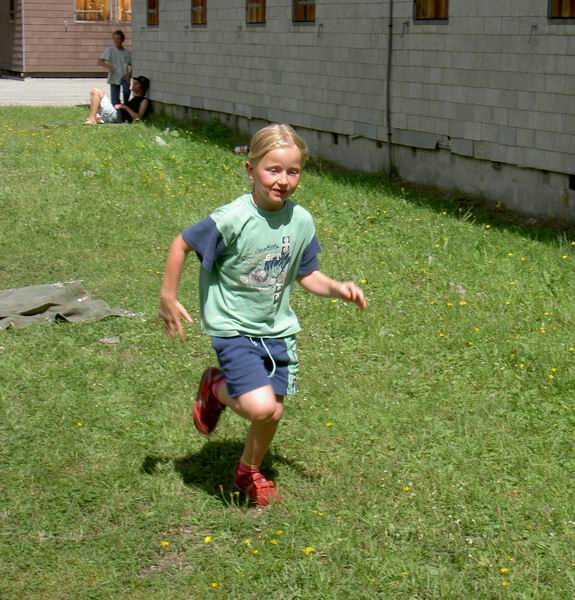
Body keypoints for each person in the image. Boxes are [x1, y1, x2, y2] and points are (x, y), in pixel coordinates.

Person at [158, 124, 367, 507]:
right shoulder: (233, 218)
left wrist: (338, 288)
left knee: (273, 413)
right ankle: (215, 388)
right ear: (250, 169)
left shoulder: (301, 221)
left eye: (293, 171)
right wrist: (168, 296)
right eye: (273, 170)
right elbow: (182, 244)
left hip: (276, 330)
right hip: (233, 326)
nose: (283, 180)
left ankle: (248, 469)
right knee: (260, 406)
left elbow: (307, 274)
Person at [84, 75, 150, 125]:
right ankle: (95, 117)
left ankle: (92, 119)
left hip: (118, 116)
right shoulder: (134, 98)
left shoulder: (144, 101)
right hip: (116, 113)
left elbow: (139, 117)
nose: (134, 84)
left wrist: (125, 107)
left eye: (137, 83)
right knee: (95, 93)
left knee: (96, 92)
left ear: (142, 87)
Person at [98, 30, 132, 106]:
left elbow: (133, 65)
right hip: (114, 76)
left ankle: (126, 105)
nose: (116, 40)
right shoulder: (110, 50)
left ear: (122, 40)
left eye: (118, 38)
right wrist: (109, 67)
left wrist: (129, 74)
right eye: (115, 38)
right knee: (115, 99)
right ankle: (117, 109)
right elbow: (100, 61)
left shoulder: (127, 52)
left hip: (124, 76)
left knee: (126, 91)